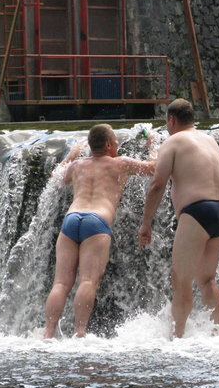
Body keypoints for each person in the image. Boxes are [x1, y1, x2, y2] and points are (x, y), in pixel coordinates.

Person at [43, 124, 156, 339]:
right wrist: (152, 144)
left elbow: (57, 178)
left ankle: (48, 333)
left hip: (71, 219)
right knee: (87, 281)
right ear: (108, 145)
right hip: (96, 221)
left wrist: (72, 154)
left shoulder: (77, 165)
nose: (118, 145)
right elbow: (153, 168)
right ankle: (80, 332)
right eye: (115, 142)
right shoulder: (121, 163)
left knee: (61, 283)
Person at [139, 98, 219, 338]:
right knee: (207, 278)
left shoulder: (173, 141)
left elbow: (157, 184)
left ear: (171, 120)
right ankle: (217, 333)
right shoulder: (210, 140)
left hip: (198, 210)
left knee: (181, 278)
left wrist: (146, 223)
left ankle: (177, 336)